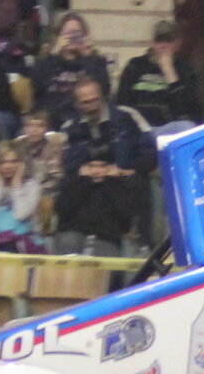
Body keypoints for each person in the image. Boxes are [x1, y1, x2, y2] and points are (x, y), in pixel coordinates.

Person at [57, 76, 153, 255]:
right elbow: (67, 163)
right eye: (86, 103)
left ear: (102, 97)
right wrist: (84, 170)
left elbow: (151, 152)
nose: (92, 106)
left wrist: (125, 169)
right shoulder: (70, 127)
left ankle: (142, 243)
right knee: (70, 187)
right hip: (86, 185)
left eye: (95, 100)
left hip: (123, 181)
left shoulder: (127, 116)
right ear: (77, 104)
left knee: (138, 184)